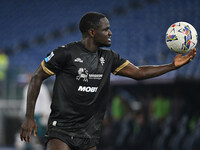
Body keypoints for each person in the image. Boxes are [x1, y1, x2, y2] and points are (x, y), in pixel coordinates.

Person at [20, 12, 196, 150]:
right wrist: (29, 117)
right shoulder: (65, 53)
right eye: (106, 29)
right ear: (92, 32)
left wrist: (172, 66)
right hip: (61, 131)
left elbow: (139, 73)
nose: (110, 32)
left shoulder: (110, 58)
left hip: (89, 135)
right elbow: (37, 77)